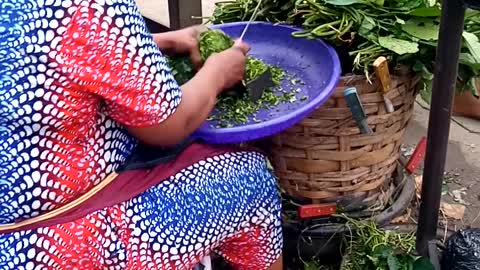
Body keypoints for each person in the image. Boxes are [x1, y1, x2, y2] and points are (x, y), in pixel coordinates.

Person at [0, 0, 283, 269]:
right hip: (52, 240)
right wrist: (218, 74)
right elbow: (169, 125)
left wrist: (162, 41)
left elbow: (40, 47)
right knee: (250, 178)